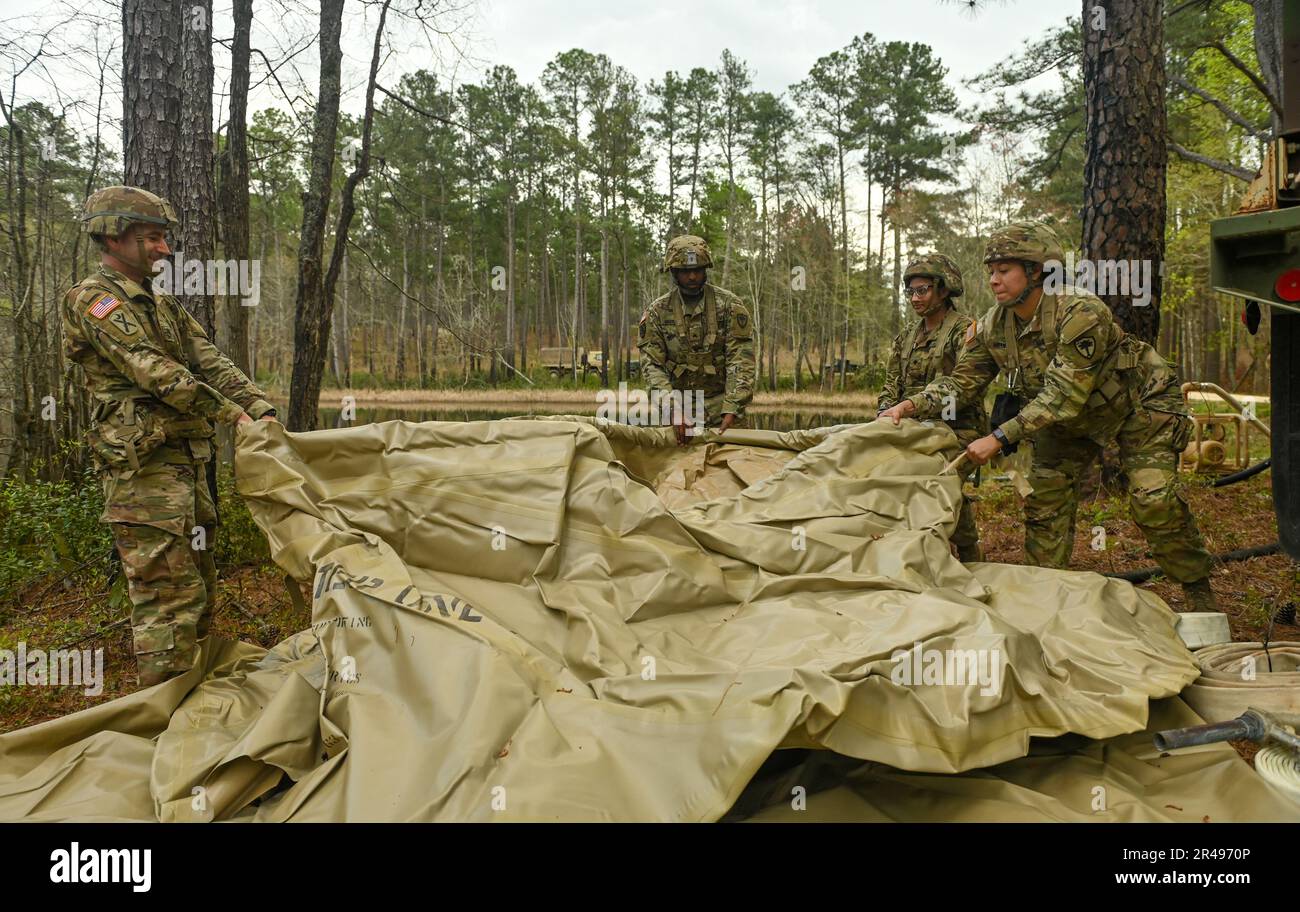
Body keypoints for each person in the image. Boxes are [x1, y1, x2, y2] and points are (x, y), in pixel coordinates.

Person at [878, 221, 1219, 611]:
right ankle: (1047, 597)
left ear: (1038, 270)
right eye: (990, 271)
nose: (993, 280)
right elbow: (962, 382)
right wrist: (910, 405)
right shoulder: (993, 326)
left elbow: (1062, 395)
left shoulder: (1080, 313)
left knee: (1152, 500)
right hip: (1067, 423)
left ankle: (1197, 590)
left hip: (1137, 408)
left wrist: (999, 438)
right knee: (1045, 505)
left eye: (1004, 270)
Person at [62, 185, 278, 686]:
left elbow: (209, 361)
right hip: (143, 473)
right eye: (153, 238)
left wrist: (260, 409)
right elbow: (155, 372)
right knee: (166, 598)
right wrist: (233, 417)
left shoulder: (162, 305)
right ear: (114, 237)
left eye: (164, 239)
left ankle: (195, 704)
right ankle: (162, 717)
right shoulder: (95, 301)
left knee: (199, 587)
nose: (165, 249)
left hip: (186, 462)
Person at [878, 254, 987, 561]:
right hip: (913, 426)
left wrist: (912, 407)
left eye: (923, 290)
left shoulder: (966, 332)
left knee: (939, 478)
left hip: (959, 429)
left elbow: (963, 388)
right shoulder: (906, 338)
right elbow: (890, 386)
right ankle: (906, 550)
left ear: (943, 290)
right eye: (910, 291)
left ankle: (967, 553)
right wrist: (885, 414)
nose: (915, 298)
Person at [638, 235, 756, 443]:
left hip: (723, 408)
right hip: (677, 411)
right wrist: (672, 409)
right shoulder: (657, 312)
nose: (692, 276)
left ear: (705, 269)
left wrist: (733, 407)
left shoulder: (729, 305)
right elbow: (652, 366)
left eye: (697, 270)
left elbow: (741, 360)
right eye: (685, 272)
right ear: (674, 272)